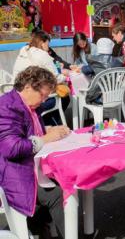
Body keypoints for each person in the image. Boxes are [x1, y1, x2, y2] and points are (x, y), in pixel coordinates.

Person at [0, 66, 70, 238]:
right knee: (57, 194)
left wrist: (50, 130)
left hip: (23, 167)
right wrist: (46, 138)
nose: (44, 100)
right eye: (43, 95)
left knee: (64, 180)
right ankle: (62, 233)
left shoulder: (25, 104)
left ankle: (42, 227)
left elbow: (27, 132)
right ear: (28, 87)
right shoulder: (7, 107)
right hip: (10, 174)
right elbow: (12, 147)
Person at [13, 30, 70, 126]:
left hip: (16, 95)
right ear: (42, 43)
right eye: (47, 44)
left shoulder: (23, 52)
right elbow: (55, 78)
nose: (48, 48)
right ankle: (49, 125)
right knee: (64, 98)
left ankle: (43, 124)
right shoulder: (43, 55)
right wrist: (66, 76)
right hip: (31, 98)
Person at [80, 38, 124, 103]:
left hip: (98, 96)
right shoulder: (118, 62)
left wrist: (81, 67)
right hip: (115, 95)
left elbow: (84, 70)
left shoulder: (94, 61)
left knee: (85, 94)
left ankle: (87, 112)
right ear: (111, 48)